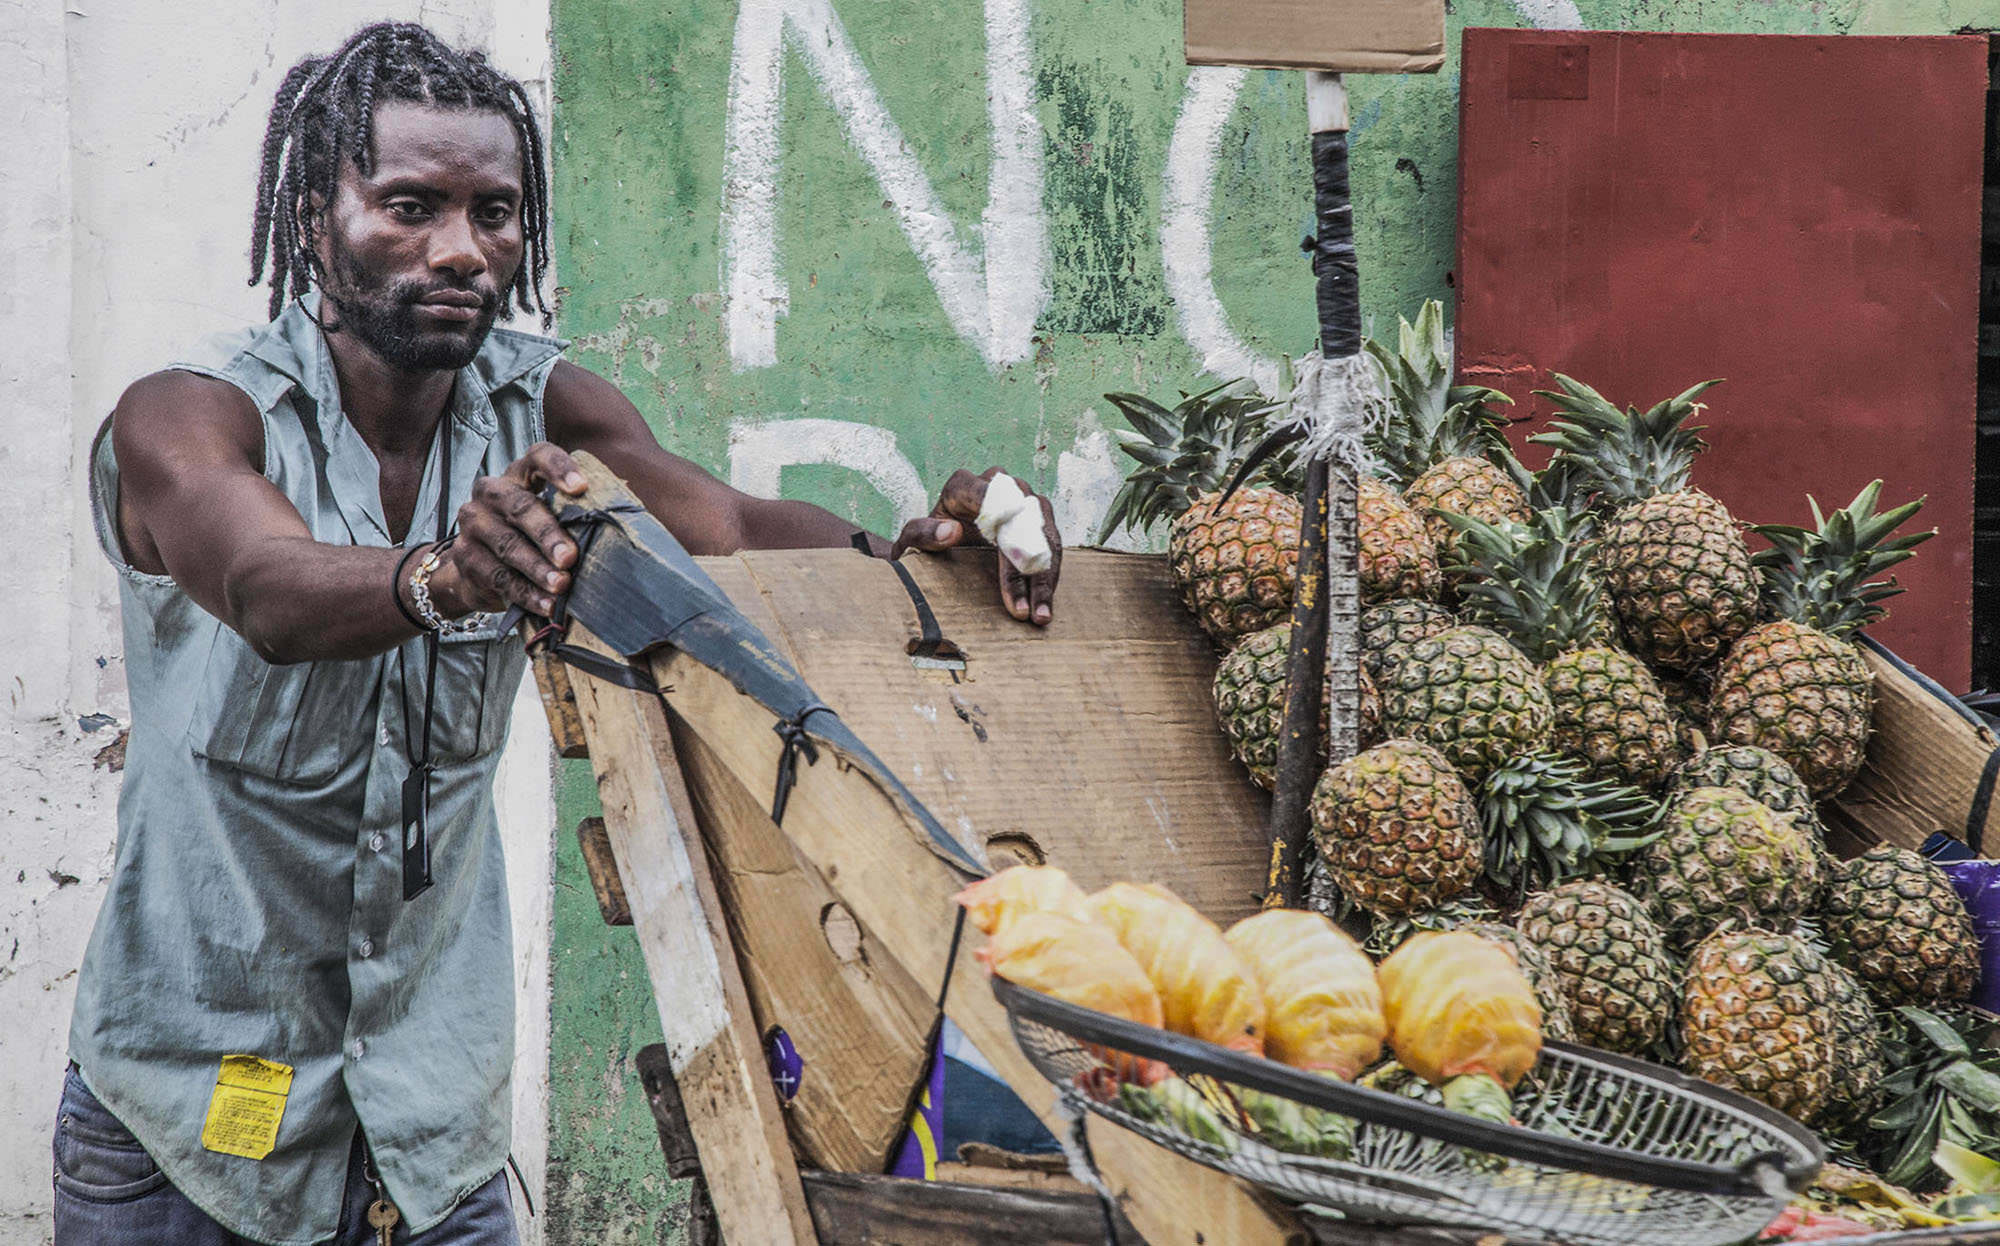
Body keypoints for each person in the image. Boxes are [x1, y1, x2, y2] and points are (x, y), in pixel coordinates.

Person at [54, 21, 1061, 1245]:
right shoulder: (188, 415)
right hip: (197, 1121)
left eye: (495, 212)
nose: (462, 250)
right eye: (411, 206)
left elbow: (733, 528)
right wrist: (443, 575)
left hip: (434, 1122)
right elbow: (266, 585)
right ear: (315, 221)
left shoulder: (548, 408)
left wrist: (914, 557)